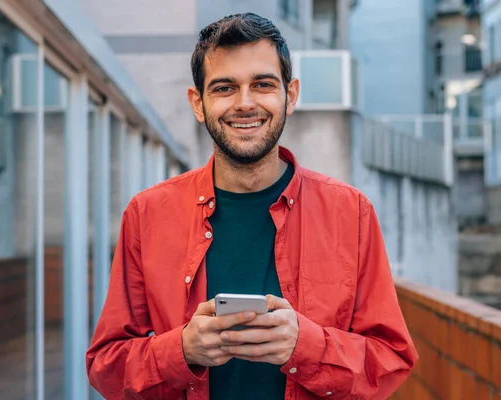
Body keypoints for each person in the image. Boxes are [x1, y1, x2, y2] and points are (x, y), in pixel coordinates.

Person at [86, 12, 418, 400]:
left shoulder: (351, 212)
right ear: (198, 103)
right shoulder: (147, 214)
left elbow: (391, 358)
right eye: (224, 88)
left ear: (289, 95)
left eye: (262, 84)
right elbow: (105, 367)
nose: (245, 104)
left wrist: (307, 346)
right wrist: (182, 350)